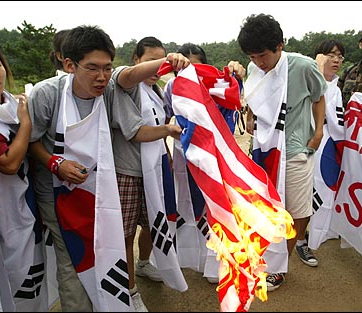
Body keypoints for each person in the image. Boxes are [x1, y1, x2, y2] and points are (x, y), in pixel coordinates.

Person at [27, 25, 189, 311]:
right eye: (91, 68)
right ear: (68, 64)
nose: (101, 77)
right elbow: (30, 142)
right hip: (57, 195)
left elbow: (127, 78)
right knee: (73, 261)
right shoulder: (47, 94)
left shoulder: (110, 90)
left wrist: (168, 63)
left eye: (106, 67)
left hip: (100, 192)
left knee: (104, 254)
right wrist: (55, 162)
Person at [237, 13, 327, 291]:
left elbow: (319, 96)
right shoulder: (254, 69)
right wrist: (251, 117)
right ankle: (264, 257)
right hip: (264, 150)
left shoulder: (303, 66)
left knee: (293, 211)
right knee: (265, 210)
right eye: (252, 57)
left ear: (280, 45)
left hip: (296, 149)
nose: (258, 63)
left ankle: (279, 267)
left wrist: (318, 132)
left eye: (262, 55)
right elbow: (255, 95)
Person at [0, 40, 47, 311]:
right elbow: (9, 163)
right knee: (8, 279)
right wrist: (25, 122)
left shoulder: (4, 107)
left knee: (29, 274)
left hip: (22, 206)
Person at [162, 42, 246, 285]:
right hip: (184, 154)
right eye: (184, 68)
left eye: (196, 66)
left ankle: (215, 262)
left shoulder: (218, 86)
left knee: (215, 205)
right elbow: (166, 114)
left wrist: (236, 74)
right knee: (187, 204)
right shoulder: (171, 86)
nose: (190, 73)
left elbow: (234, 100)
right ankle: (191, 257)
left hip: (215, 156)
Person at [111, 36, 185, 295]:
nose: (157, 68)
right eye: (150, 60)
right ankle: (129, 290)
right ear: (136, 60)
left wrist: (167, 154)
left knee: (154, 223)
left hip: (154, 168)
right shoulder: (125, 84)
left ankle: (143, 263)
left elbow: (160, 131)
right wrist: (167, 130)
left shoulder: (156, 90)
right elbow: (139, 132)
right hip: (128, 173)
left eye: (161, 60)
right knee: (126, 233)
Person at [307, 39, 346, 249]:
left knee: (324, 188)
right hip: (305, 143)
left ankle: (319, 233)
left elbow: (338, 124)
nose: (336, 60)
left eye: (340, 56)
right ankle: (301, 239)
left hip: (327, 147)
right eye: (331, 55)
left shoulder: (337, 89)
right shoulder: (306, 80)